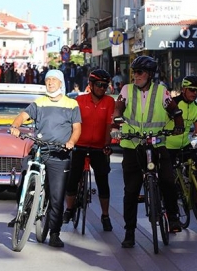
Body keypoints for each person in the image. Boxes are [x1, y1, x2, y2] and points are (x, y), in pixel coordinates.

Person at [112, 56, 185, 248]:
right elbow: (118, 107)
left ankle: (174, 217)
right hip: (133, 146)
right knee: (131, 191)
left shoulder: (161, 91)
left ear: (150, 75)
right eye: (133, 72)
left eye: (139, 72)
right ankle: (129, 232)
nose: (135, 76)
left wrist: (179, 124)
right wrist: (117, 119)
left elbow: (174, 110)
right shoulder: (127, 90)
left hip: (157, 144)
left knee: (168, 180)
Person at [8, 70, 81, 248]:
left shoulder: (71, 104)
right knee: (25, 175)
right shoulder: (39, 103)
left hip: (59, 154)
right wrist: (15, 126)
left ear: (61, 83)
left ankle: (55, 233)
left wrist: (71, 142)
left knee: (57, 196)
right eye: (48, 80)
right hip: (40, 149)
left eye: (54, 80)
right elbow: (22, 117)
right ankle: (21, 212)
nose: (50, 83)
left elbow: (77, 128)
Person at [63, 69, 116, 231]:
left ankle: (105, 215)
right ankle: (69, 209)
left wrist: (108, 144)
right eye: (99, 85)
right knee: (72, 179)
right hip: (79, 146)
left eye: (105, 86)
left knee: (103, 182)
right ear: (91, 85)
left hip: (99, 148)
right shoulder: (79, 100)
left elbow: (109, 125)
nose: (102, 88)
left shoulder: (109, 102)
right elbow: (71, 123)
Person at [164, 75, 197, 233]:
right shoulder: (173, 103)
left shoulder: (195, 106)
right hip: (168, 146)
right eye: (192, 90)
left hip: (185, 145)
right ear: (184, 89)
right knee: (168, 182)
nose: (195, 93)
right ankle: (170, 211)